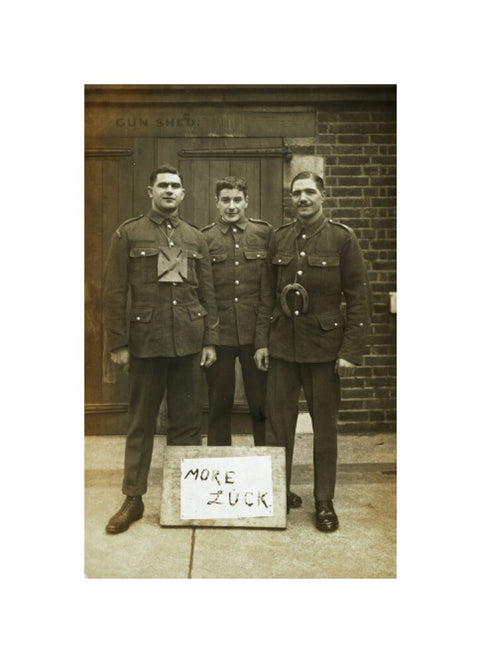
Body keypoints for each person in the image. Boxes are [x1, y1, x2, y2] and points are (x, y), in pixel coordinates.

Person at [103, 165, 219, 534]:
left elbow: (208, 292)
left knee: (187, 423)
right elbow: (114, 292)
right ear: (149, 190)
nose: (170, 191)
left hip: (187, 341)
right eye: (163, 185)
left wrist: (210, 340)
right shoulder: (129, 233)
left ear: (183, 194)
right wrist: (119, 343)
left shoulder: (194, 237)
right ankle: (133, 498)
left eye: (176, 186)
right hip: (146, 343)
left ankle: (185, 497)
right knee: (140, 423)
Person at [255, 171, 371, 530]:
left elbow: (358, 298)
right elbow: (266, 295)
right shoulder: (280, 237)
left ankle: (324, 502)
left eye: (309, 192)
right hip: (282, 349)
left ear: (323, 196)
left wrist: (350, 350)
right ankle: (277, 495)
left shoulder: (342, 238)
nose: (302, 198)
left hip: (324, 350)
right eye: (296, 193)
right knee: (278, 427)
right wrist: (262, 342)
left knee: (324, 429)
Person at [201, 176, 302, 511]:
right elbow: (205, 294)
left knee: (263, 409)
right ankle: (217, 489)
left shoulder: (264, 234)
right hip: (220, 339)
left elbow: (269, 292)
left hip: (256, 339)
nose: (231, 205)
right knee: (219, 407)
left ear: (247, 201)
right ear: (216, 202)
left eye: (237, 199)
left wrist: (262, 343)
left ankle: (269, 484)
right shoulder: (205, 238)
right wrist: (210, 341)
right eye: (225, 199)